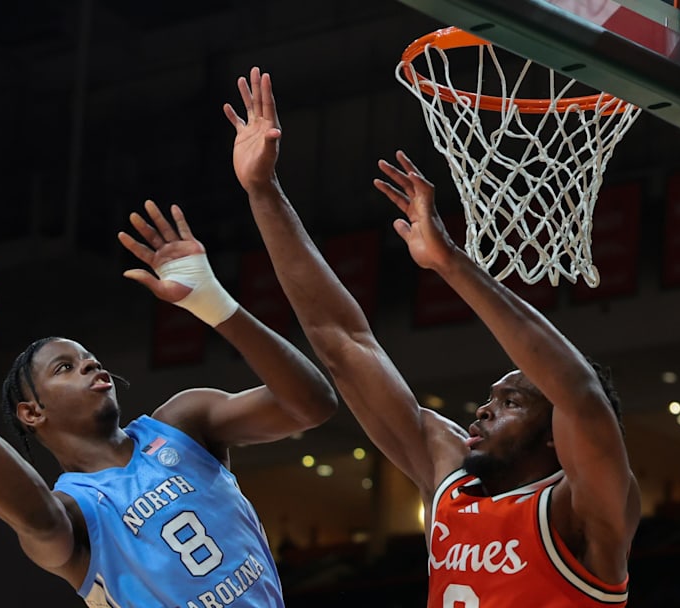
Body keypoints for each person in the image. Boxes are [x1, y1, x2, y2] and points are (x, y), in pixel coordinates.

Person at [223, 66, 640, 607]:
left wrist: (451, 264)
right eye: (491, 398)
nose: (483, 411)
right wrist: (263, 191)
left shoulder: (586, 510)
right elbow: (343, 342)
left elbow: (579, 395)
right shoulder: (449, 480)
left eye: (511, 401)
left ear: (557, 434)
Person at [0, 200, 338, 608]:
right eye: (65, 367)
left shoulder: (185, 422)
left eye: (91, 359)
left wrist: (212, 303)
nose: (92, 367)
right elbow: (34, 515)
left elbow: (311, 406)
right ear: (31, 412)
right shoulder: (76, 512)